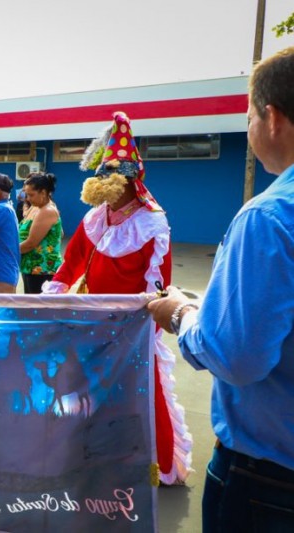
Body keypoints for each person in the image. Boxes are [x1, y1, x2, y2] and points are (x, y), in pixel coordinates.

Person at [148, 47, 294, 531]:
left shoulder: (268, 217)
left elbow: (239, 358)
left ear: (272, 118)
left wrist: (181, 315)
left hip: (269, 480)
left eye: (249, 117)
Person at [44, 111, 191, 486]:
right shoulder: (96, 218)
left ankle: (154, 466)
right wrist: (53, 295)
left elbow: (159, 284)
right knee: (88, 392)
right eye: (99, 173)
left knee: (141, 394)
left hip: (132, 330)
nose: (98, 182)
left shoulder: (151, 222)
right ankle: (97, 457)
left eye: (107, 174)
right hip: (91, 327)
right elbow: (70, 264)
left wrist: (145, 326)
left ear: (127, 180)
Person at [18, 172, 63, 293]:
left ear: (43, 192)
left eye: (31, 195)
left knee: (37, 304)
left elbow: (30, 243)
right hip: (31, 267)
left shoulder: (47, 210)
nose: (28, 198)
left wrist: (6, 251)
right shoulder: (36, 207)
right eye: (27, 194)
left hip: (42, 269)